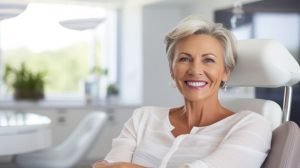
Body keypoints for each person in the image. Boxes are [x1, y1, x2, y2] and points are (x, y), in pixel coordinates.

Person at [93, 15, 272, 168]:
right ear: (172, 69)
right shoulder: (142, 119)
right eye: (184, 59)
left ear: (226, 71)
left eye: (208, 60)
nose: (195, 70)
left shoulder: (252, 125)